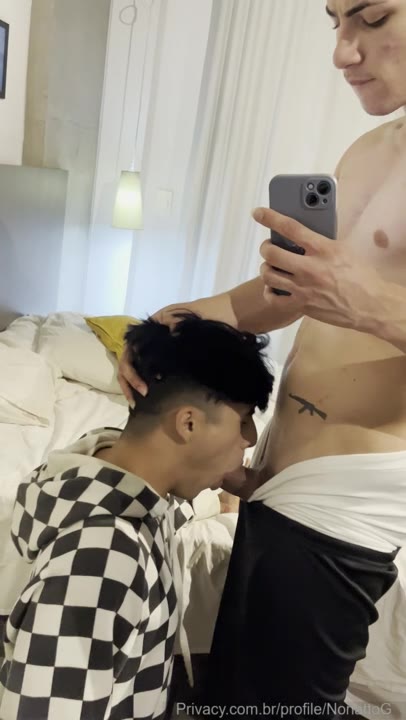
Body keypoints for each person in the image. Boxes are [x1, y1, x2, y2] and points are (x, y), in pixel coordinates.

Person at [118, 2, 406, 717]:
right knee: (242, 690)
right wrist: (175, 319)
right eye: (336, 21)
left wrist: (366, 301)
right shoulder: (370, 150)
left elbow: (352, 299)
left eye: (373, 18)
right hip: (279, 468)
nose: (343, 53)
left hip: (349, 493)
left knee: (284, 705)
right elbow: (288, 296)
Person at [0, 314, 274, 720]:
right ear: (189, 423)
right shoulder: (103, 557)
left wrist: (219, 496)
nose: (249, 438)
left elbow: (164, 514)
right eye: (245, 419)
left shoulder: (102, 467)